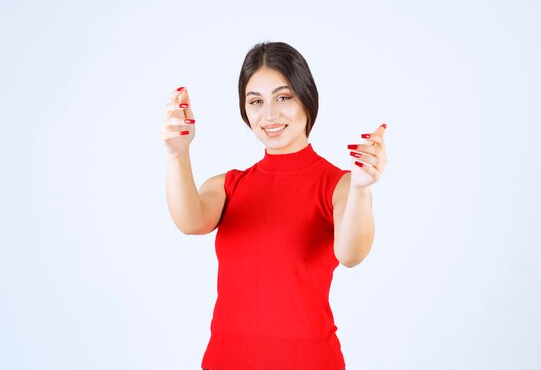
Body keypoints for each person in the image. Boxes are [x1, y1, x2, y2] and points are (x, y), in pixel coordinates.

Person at [160, 41, 388, 370]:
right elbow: (190, 221)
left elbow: (351, 254)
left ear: (306, 98)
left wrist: (362, 188)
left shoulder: (339, 186)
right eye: (256, 102)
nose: (269, 115)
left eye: (283, 97)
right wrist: (177, 154)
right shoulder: (228, 185)